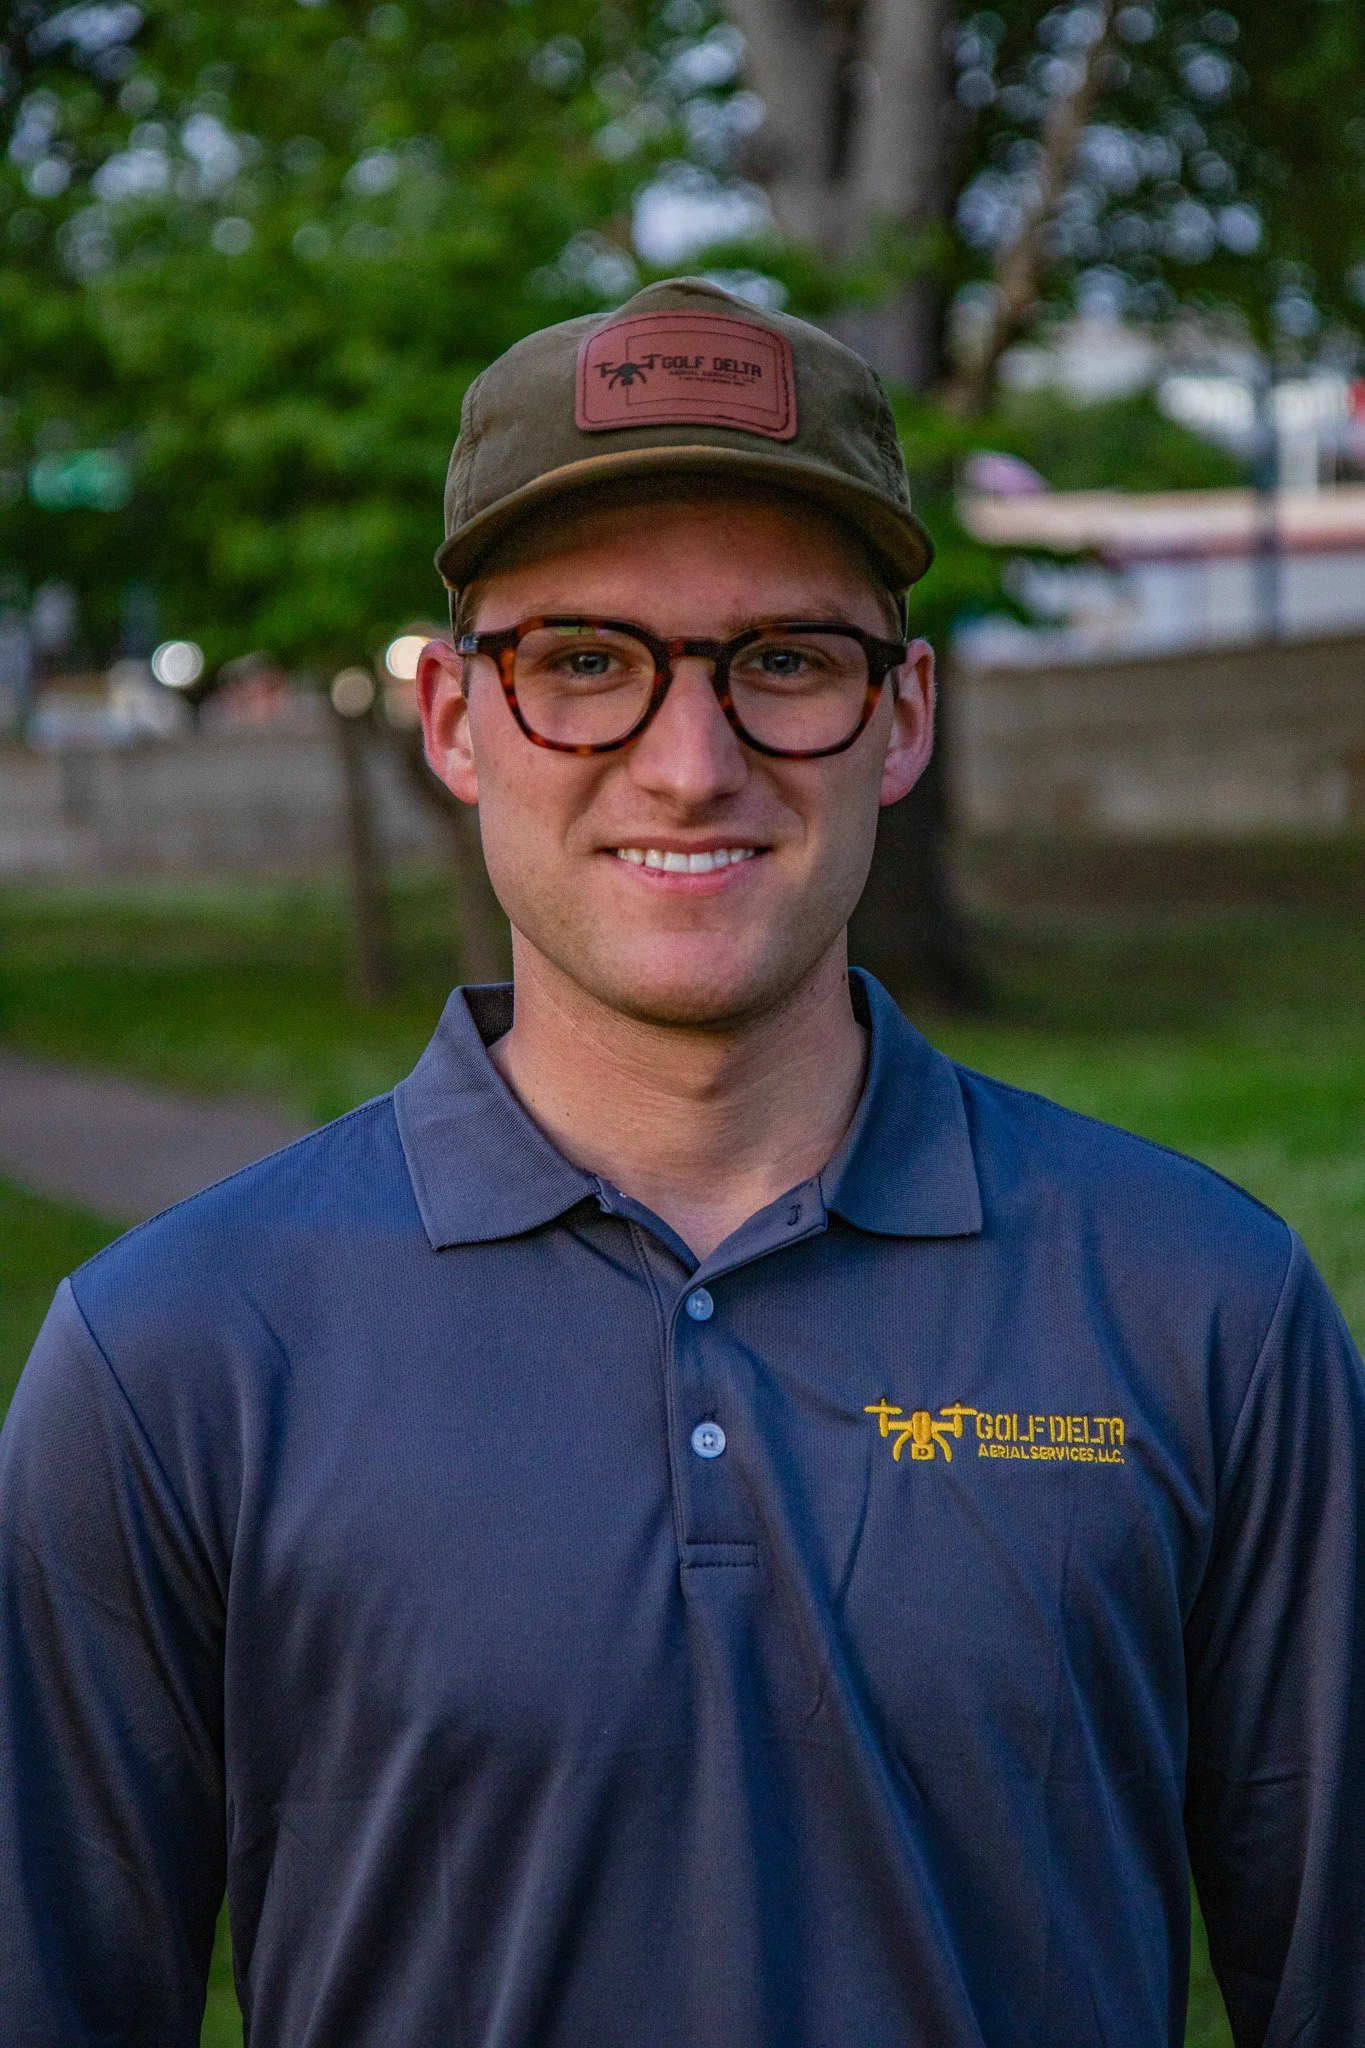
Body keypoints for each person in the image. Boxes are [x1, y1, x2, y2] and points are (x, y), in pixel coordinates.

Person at [1, 278, 1362, 2048]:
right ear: (456, 724)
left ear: (904, 715)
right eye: (585, 663)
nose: (691, 762)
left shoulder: (1204, 1308)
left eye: (783, 661)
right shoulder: (170, 1356)